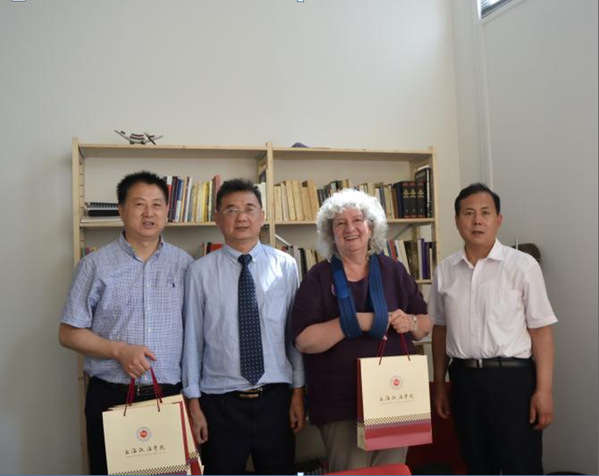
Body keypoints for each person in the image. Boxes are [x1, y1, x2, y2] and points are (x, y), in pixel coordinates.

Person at [59, 171, 193, 475]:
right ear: (121, 210)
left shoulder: (185, 265)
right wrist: (118, 350)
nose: (149, 213)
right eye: (139, 204)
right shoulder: (94, 265)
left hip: (170, 397)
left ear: (167, 212)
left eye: (157, 205)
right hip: (111, 397)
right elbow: (67, 333)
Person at [290, 188, 432, 473]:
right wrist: (356, 321)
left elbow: (425, 324)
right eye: (340, 223)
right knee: (351, 472)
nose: (350, 228)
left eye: (357, 220)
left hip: (393, 397)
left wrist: (411, 322)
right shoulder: (318, 277)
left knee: (391, 472)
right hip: (340, 405)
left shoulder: (394, 270)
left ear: (371, 227)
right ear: (330, 232)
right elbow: (304, 341)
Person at [430, 183, 557, 475]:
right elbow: (440, 329)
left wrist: (544, 390)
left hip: (513, 382)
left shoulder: (522, 266)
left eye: (485, 213)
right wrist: (440, 384)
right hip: (464, 381)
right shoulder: (445, 270)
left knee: (521, 465)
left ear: (498, 219)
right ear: (457, 220)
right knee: (476, 465)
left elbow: (541, 333)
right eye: (468, 213)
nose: (477, 220)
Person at [182, 178, 305, 475]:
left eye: (249, 209)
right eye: (231, 210)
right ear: (217, 218)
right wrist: (194, 404)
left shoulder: (285, 266)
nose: (241, 217)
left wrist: (298, 392)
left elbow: (294, 337)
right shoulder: (199, 272)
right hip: (219, 404)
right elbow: (192, 341)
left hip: (276, 400)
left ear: (262, 216)